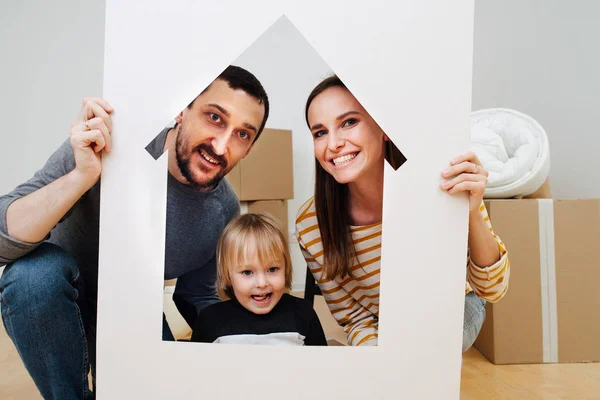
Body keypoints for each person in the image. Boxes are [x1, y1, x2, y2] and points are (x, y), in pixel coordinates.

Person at [0, 65, 269, 399]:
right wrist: (82, 176)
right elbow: (2, 243)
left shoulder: (223, 209)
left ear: (251, 148)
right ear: (182, 110)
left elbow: (196, 296)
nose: (221, 144)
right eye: (214, 117)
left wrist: (238, 345)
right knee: (33, 277)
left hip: (133, 308)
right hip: (51, 299)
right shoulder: (109, 144)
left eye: (243, 134)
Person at [295, 75, 510, 348]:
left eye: (349, 122)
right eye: (320, 132)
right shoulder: (310, 225)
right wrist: (377, 360)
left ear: (384, 128)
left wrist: (472, 210)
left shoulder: (442, 182)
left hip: (454, 307)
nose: (333, 143)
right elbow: (355, 319)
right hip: (384, 323)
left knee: (422, 349)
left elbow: (492, 290)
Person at [191, 213, 327, 346]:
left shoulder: (303, 313)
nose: (262, 283)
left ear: (286, 267)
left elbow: (323, 365)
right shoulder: (210, 320)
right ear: (227, 275)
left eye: (272, 269)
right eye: (247, 272)